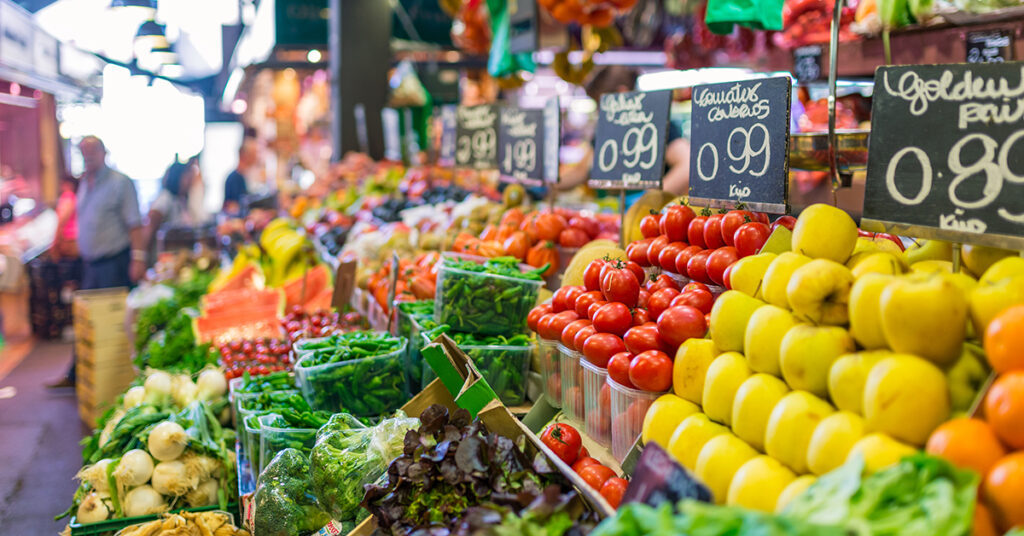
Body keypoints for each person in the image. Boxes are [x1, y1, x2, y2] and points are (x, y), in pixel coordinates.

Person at [48, 136, 146, 388]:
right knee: (87, 321)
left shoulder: (119, 183)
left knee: (112, 325)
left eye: (92, 151)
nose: (88, 157)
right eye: (83, 152)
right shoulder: (84, 184)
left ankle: (118, 377)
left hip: (114, 263)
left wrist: (138, 259)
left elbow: (135, 225)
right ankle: (78, 374)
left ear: (103, 152)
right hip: (90, 264)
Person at [146, 158, 197, 249]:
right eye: (186, 177)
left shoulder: (180, 200)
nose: (190, 182)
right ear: (177, 178)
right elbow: (149, 229)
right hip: (164, 257)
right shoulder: (165, 199)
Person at [223, 139, 259, 215]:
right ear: (245, 156)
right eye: (254, 154)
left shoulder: (245, 176)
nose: (256, 158)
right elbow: (231, 207)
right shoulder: (234, 179)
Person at [52, 175, 79, 259]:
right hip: (74, 237)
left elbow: (62, 220)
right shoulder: (75, 196)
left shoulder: (68, 196)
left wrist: (56, 239)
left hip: (69, 239)